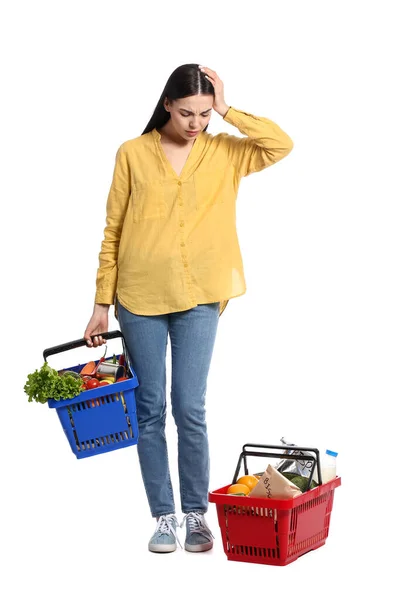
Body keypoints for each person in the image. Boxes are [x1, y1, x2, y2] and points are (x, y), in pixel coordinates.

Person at [83, 63, 294, 553]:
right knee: (150, 408)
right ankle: (164, 516)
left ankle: (197, 513)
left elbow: (280, 144)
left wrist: (227, 108)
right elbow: (112, 230)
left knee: (189, 407)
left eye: (203, 113)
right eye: (186, 113)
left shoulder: (225, 151)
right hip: (139, 297)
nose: (196, 122)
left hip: (201, 294)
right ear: (166, 105)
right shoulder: (132, 153)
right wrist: (100, 303)